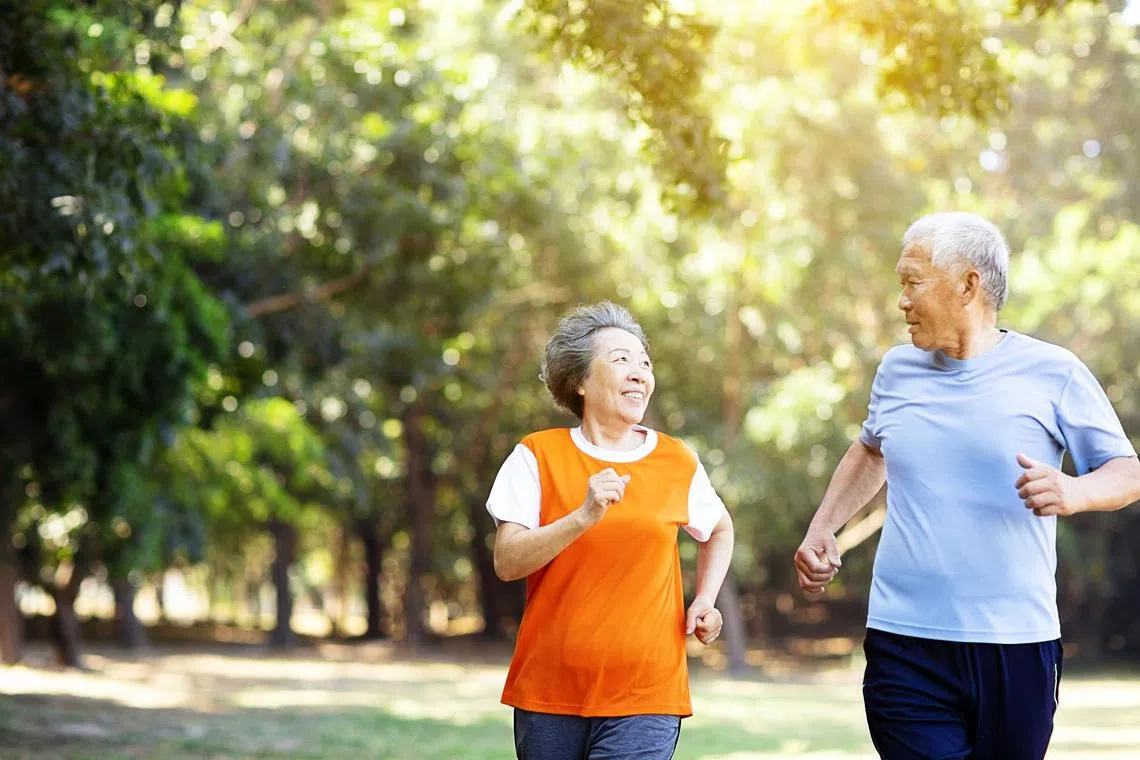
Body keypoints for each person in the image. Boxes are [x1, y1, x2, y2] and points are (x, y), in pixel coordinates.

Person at [794, 212, 1140, 760]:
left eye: (912, 282)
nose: (901, 300)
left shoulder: (1054, 371)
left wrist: (1074, 492)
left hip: (1017, 643)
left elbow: (1128, 472)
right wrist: (821, 528)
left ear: (968, 284)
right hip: (904, 640)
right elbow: (870, 449)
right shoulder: (897, 370)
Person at [487, 301, 734, 760]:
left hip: (647, 689)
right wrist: (582, 516)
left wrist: (704, 600)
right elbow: (507, 561)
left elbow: (719, 529)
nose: (639, 371)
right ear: (580, 381)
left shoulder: (676, 461)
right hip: (549, 688)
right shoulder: (536, 456)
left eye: (644, 362)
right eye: (620, 360)